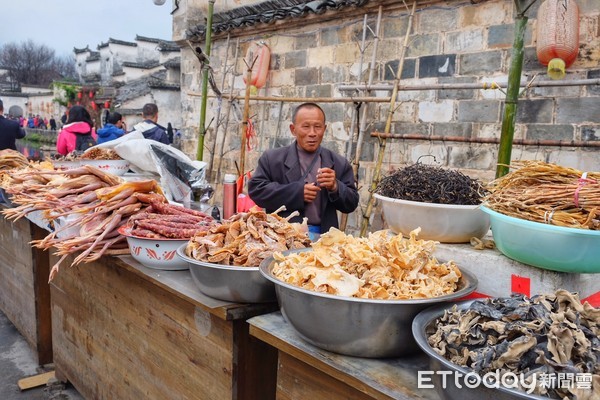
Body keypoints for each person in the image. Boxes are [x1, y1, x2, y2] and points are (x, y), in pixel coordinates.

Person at [248, 102, 359, 237]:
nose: (312, 133)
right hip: (284, 237)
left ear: (324, 129)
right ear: (293, 129)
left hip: (325, 238)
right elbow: (257, 191)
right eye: (306, 127)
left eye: (317, 127)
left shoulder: (338, 162)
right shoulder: (272, 159)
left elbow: (351, 203)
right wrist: (297, 193)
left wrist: (335, 186)